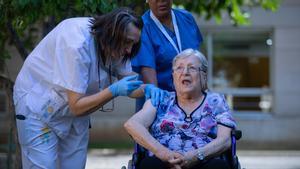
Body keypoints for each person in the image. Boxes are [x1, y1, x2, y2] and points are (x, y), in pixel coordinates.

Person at [13, 7, 165, 169]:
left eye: (133, 44)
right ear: (112, 34)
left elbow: (128, 83)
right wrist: (113, 91)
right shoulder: (76, 44)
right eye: (127, 42)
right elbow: (76, 105)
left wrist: (146, 89)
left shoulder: (118, 47)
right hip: (39, 107)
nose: (129, 49)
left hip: (77, 112)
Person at [125, 49, 236, 169]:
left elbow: (225, 140)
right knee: (149, 165)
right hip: (162, 161)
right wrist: (163, 153)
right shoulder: (161, 99)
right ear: (173, 76)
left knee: (218, 167)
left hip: (204, 160)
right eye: (179, 68)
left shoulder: (216, 101)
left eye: (192, 68)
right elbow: (132, 124)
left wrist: (195, 156)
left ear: (203, 75)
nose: (185, 72)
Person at [132, 0, 203, 110]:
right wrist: (159, 107)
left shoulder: (187, 18)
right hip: (161, 101)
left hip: (192, 99)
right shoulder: (143, 27)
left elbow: (200, 62)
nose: (161, 2)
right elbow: (148, 72)